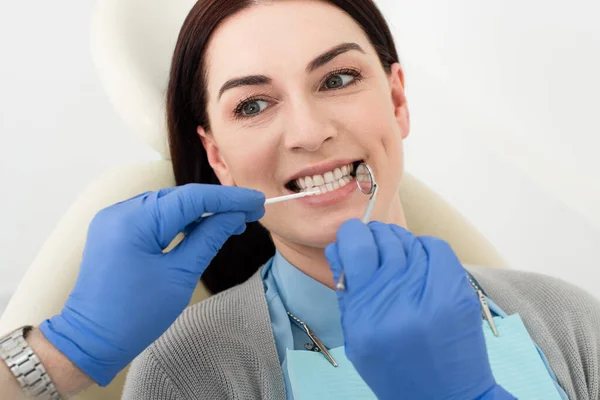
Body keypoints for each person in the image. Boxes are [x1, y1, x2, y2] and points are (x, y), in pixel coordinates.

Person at [1, 0, 599, 399]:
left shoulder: (568, 317)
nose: (309, 132)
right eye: (253, 105)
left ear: (397, 102)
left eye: (337, 79)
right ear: (218, 158)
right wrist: (61, 350)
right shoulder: (194, 367)